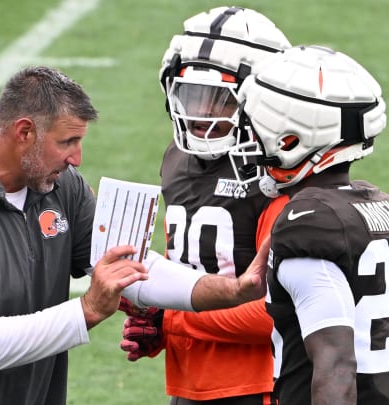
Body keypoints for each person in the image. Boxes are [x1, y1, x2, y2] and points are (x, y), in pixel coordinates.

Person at [0, 66, 270, 405]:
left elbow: (130, 266)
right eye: (68, 142)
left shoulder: (61, 186)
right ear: (24, 132)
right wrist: (88, 309)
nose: (77, 158)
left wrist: (231, 290)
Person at [118, 7, 291, 405]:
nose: (201, 113)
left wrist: (172, 317)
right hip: (189, 382)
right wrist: (158, 327)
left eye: (219, 100)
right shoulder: (177, 159)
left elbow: (277, 313)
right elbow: (187, 265)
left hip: (263, 384)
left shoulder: (276, 174)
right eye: (191, 95)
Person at [227, 45, 389, 404]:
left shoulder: (312, 223)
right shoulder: (377, 206)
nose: (248, 138)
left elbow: (337, 366)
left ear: (293, 139)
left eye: (259, 128)